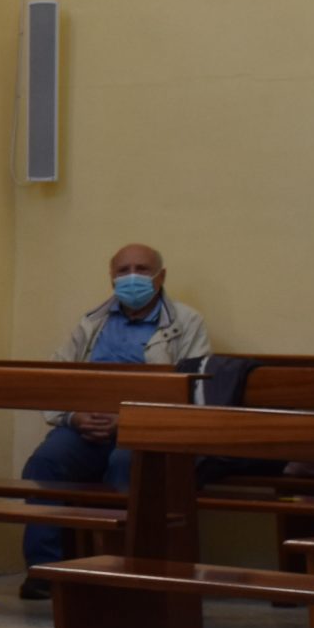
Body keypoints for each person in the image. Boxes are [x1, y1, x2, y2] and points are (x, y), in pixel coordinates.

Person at [19, 242, 212, 588]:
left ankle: (122, 574)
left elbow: (194, 391)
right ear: (111, 278)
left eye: (142, 269)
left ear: (161, 276)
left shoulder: (187, 323)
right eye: (123, 271)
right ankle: (45, 572)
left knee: (127, 466)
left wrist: (129, 421)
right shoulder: (92, 322)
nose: (132, 277)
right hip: (85, 428)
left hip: (146, 432)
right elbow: (56, 378)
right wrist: (74, 417)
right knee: (46, 462)